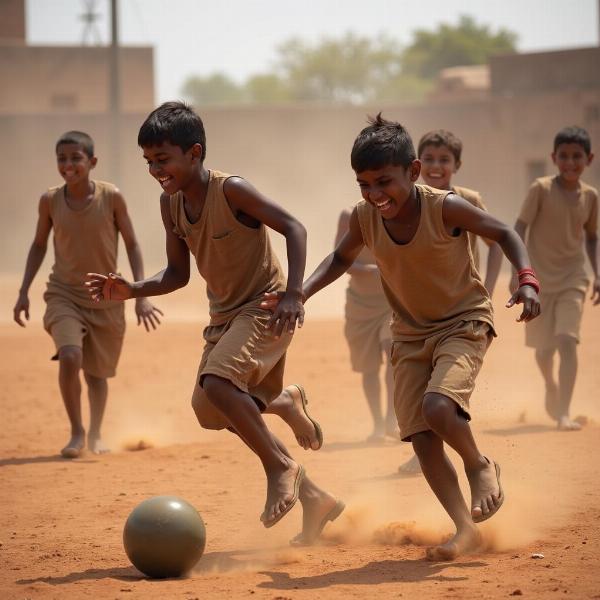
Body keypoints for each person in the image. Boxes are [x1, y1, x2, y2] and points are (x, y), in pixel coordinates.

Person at [265, 114, 540, 560]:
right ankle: (465, 529)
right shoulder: (364, 217)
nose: (375, 195)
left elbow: (504, 233)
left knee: (438, 407)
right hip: (409, 334)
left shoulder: (444, 206)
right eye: (364, 185)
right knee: (423, 439)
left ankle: (479, 464)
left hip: (462, 322)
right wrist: (298, 293)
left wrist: (526, 279)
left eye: (384, 182)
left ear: (412, 172)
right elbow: (338, 258)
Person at [85, 102, 344, 545]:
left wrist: (294, 293)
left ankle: (281, 467)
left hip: (265, 306)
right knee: (209, 409)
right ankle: (302, 459)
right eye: (148, 161)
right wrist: (131, 290)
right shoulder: (171, 205)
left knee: (219, 384)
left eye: (162, 159)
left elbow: (294, 228)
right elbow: (177, 274)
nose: (155, 170)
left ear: (195, 152)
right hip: (224, 317)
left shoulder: (233, 190)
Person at [13, 130, 162, 458]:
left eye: (75, 158)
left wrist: (139, 294)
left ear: (92, 162)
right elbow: (39, 245)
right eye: (62, 159)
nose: (68, 165)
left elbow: (133, 244)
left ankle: (95, 433)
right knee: (69, 356)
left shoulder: (112, 197)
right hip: (63, 293)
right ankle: (77, 432)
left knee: (96, 376)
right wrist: (24, 291)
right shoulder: (49, 200)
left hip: (107, 296)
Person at [397, 129, 504, 475]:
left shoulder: (466, 200)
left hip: (460, 310)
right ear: (416, 165)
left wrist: (488, 286)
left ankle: (475, 463)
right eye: (429, 159)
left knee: (443, 389)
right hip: (419, 311)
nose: (436, 166)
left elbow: (496, 239)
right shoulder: (408, 202)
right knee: (420, 385)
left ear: (456, 165)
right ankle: (425, 449)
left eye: (444, 160)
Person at [514, 126, 598, 431]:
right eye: (564, 156)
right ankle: (550, 383)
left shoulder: (591, 197)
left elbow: (591, 238)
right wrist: (520, 275)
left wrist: (597, 274)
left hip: (573, 277)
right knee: (544, 350)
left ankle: (563, 412)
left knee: (567, 341)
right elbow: (519, 229)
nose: (570, 162)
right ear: (554, 157)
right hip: (539, 280)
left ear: (588, 159)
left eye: (577, 156)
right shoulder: (541, 189)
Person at [335, 208, 396, 442]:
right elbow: (341, 260)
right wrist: (370, 270)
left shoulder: (399, 213)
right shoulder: (350, 215)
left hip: (392, 301)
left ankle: (392, 418)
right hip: (359, 306)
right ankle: (378, 425)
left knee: (393, 352)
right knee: (368, 368)